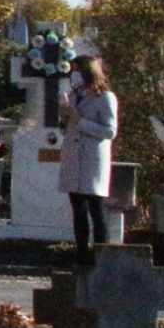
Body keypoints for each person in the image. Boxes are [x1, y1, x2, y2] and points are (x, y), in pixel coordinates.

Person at [59, 54, 120, 265]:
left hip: (92, 159)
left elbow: (110, 131)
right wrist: (64, 116)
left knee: (96, 208)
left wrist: (80, 120)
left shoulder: (105, 97)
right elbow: (66, 128)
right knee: (78, 210)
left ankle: (101, 256)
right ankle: (81, 254)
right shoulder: (74, 96)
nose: (73, 76)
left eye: (77, 71)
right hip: (74, 157)